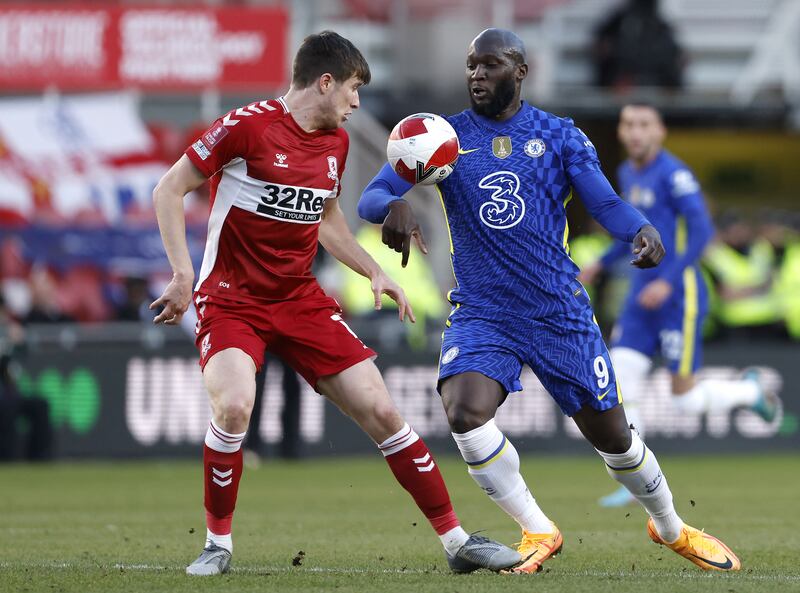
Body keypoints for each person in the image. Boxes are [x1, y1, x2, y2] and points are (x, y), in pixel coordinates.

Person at [359, 28, 741, 574]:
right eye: (471, 66)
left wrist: (640, 228)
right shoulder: (441, 137)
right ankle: (537, 529)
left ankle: (671, 526)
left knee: (616, 442)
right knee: (464, 412)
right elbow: (375, 192)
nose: (477, 75)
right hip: (484, 312)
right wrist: (390, 208)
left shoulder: (559, 135)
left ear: (520, 70)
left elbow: (605, 203)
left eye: (489, 66)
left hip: (558, 312)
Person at [149, 31, 519, 576]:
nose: (356, 103)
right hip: (233, 299)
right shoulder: (247, 127)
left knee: (382, 410)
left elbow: (326, 220)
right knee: (233, 407)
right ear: (324, 82)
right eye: (351, 89)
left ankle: (457, 541)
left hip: (300, 299)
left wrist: (374, 270)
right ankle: (217, 544)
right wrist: (183, 274)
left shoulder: (336, 144)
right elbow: (168, 189)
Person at [579, 104, 782, 507]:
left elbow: (703, 230)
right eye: (629, 125)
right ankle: (635, 478)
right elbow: (633, 235)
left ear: (660, 131)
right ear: (621, 132)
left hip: (679, 297)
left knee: (684, 399)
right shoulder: (626, 173)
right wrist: (598, 264)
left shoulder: (675, 174)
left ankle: (749, 390)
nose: (636, 133)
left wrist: (669, 283)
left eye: (644, 125)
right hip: (642, 297)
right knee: (622, 380)